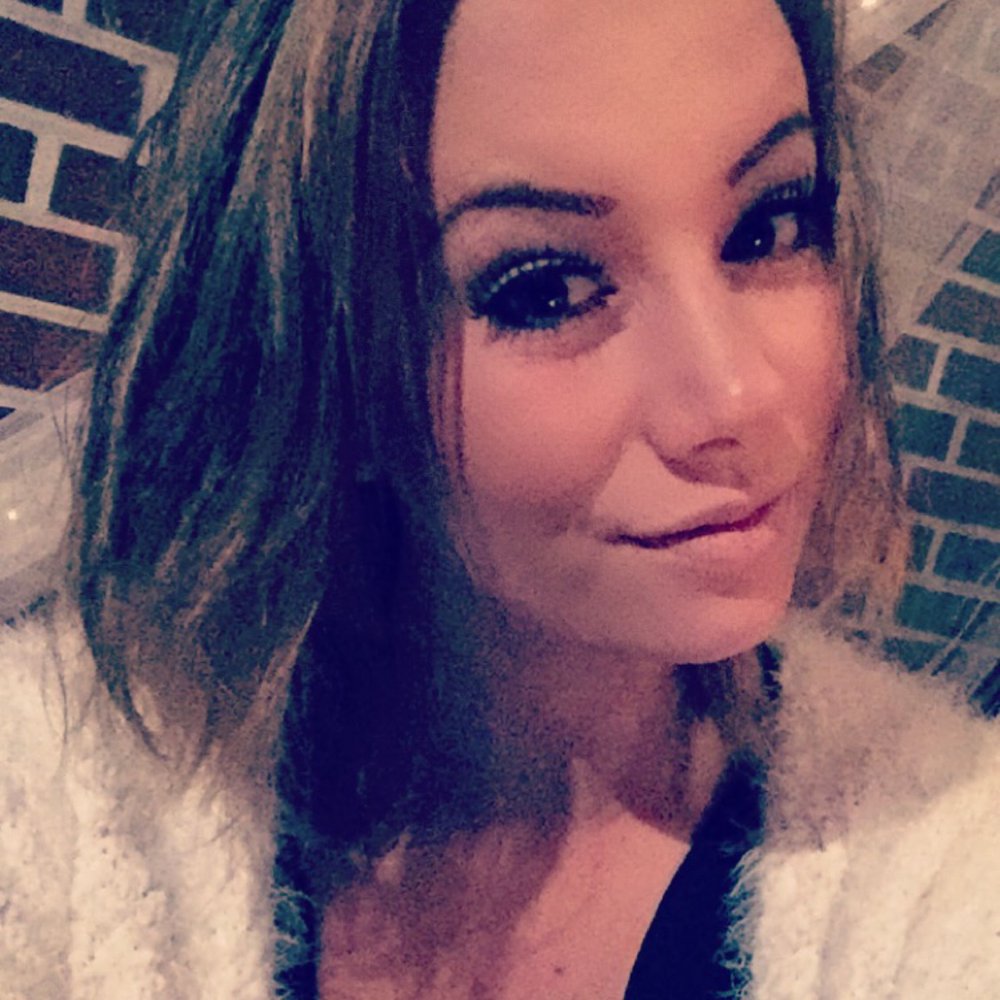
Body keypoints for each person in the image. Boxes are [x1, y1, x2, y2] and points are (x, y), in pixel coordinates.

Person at [1, 0, 997, 997]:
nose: (736, 398)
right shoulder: (58, 793)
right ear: (325, 354)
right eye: (544, 289)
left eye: (769, 226)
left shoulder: (948, 857)